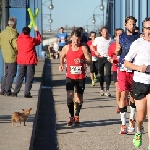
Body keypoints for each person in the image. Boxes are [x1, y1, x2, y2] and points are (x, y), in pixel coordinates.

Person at [124, 17, 150, 149]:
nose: (149, 31)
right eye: (147, 28)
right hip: (140, 81)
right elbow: (126, 62)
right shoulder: (138, 43)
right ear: (143, 29)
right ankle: (138, 131)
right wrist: (139, 68)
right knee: (141, 116)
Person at [59, 29, 91, 126]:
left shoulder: (83, 48)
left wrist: (84, 62)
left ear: (80, 39)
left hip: (80, 76)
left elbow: (90, 61)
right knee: (69, 96)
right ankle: (72, 117)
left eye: (77, 40)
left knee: (79, 98)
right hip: (70, 76)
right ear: (71, 39)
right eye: (74, 40)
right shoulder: (66, 48)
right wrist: (61, 64)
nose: (75, 42)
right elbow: (61, 56)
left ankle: (77, 115)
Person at [115, 16, 140, 134]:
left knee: (133, 96)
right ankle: (123, 124)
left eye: (134, 24)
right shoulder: (120, 37)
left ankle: (132, 119)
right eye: (130, 23)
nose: (132, 25)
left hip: (134, 68)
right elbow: (117, 51)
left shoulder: (139, 37)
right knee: (123, 94)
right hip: (123, 67)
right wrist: (117, 50)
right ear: (126, 25)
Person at [12, 26, 41, 98]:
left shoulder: (19, 39)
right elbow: (39, 40)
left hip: (21, 60)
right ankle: (27, 93)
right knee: (29, 77)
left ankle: (15, 91)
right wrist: (37, 31)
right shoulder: (31, 40)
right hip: (30, 60)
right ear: (29, 33)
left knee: (20, 76)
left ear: (22, 32)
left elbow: (21, 36)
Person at [91, 27, 112, 96]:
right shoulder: (98, 39)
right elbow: (91, 46)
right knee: (101, 74)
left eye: (106, 31)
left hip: (108, 58)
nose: (105, 33)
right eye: (104, 32)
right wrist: (95, 51)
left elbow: (114, 46)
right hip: (100, 58)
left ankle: (107, 89)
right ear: (101, 32)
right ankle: (102, 89)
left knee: (108, 74)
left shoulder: (110, 39)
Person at [0, 17, 18, 96]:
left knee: (6, 74)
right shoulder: (13, 34)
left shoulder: (2, 32)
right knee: (11, 74)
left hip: (5, 54)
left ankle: (2, 89)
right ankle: (7, 91)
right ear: (14, 25)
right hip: (12, 56)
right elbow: (16, 46)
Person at [107, 28, 124, 113]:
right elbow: (109, 57)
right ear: (115, 35)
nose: (120, 35)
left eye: (121, 34)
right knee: (118, 87)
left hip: (125, 68)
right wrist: (111, 60)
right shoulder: (112, 45)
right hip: (115, 68)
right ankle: (119, 105)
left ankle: (123, 101)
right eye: (118, 34)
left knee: (123, 89)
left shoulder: (127, 44)